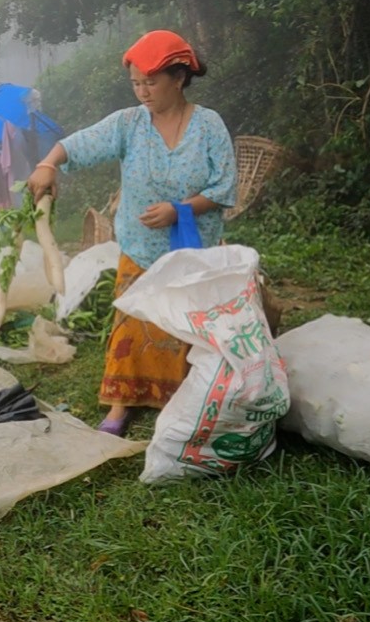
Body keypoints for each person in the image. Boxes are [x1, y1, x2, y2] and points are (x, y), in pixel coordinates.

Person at [27, 29, 238, 437]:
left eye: (151, 82)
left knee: (183, 326)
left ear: (179, 78)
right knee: (132, 324)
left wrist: (180, 211)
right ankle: (121, 403)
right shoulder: (128, 124)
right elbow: (81, 143)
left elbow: (224, 187)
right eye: (136, 83)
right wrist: (48, 164)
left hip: (192, 250)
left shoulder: (209, 125)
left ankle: (181, 399)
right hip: (140, 248)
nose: (142, 92)